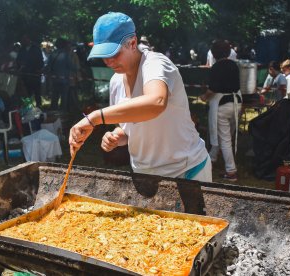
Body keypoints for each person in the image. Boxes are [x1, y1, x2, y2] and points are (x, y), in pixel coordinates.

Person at [69, 12, 211, 182]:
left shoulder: (156, 63)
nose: (108, 61)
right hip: (144, 175)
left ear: (133, 43)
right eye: (104, 56)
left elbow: (156, 102)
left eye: (113, 53)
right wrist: (116, 137)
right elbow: (129, 128)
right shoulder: (115, 82)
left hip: (185, 170)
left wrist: (94, 118)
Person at [200, 40, 242, 182]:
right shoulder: (234, 66)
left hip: (222, 105)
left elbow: (213, 89)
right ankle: (211, 158)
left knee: (225, 139)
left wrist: (204, 97)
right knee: (226, 136)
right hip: (236, 103)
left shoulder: (217, 67)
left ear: (214, 53)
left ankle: (231, 171)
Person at [16, 34, 44, 107]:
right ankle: (28, 108)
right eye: (23, 40)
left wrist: (39, 69)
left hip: (35, 74)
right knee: (27, 93)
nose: (24, 41)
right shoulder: (22, 50)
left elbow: (40, 60)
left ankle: (39, 107)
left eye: (25, 39)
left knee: (37, 93)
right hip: (25, 75)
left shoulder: (36, 48)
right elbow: (18, 60)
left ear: (29, 39)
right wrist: (20, 67)